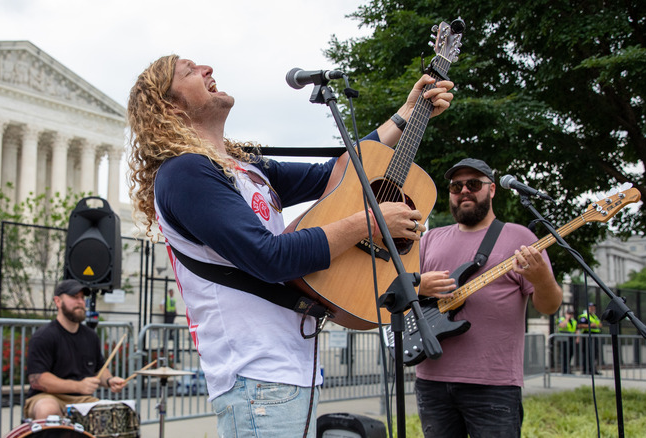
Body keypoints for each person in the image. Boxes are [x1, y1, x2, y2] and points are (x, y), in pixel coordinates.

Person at [126, 54, 454, 436]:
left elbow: (336, 173)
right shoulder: (185, 171)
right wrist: (372, 221)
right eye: (189, 71)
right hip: (256, 376)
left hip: (287, 369)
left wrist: (407, 115)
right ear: (168, 105)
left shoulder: (244, 167)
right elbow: (270, 258)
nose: (208, 69)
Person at [414, 158, 563, 438]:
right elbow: (401, 294)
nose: (464, 191)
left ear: (492, 189)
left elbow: (549, 306)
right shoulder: (430, 239)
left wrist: (542, 278)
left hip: (494, 384)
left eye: (473, 184)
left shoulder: (520, 237)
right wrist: (418, 287)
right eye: (456, 186)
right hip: (431, 381)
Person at [24, 279, 126, 420]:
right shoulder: (44, 336)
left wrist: (109, 380)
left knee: (114, 414)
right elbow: (38, 380)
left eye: (82, 298)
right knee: (48, 409)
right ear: (58, 301)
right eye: (74, 297)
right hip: (47, 397)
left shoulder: (90, 336)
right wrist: (78, 386)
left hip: (82, 399)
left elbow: (99, 370)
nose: (80, 302)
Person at [578, 302, 603, 375]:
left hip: (595, 336)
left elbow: (599, 324)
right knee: (587, 353)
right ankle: (586, 370)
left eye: (593, 307)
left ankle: (593, 369)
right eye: (591, 307)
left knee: (594, 353)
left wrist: (598, 325)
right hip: (587, 336)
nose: (592, 308)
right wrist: (590, 325)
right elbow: (579, 325)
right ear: (588, 308)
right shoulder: (584, 316)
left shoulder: (595, 316)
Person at [557, 308, 578, 374]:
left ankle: (568, 369)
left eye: (571, 314)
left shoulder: (574, 321)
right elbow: (562, 325)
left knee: (570, 354)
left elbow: (576, 330)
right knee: (564, 354)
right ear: (566, 314)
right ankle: (564, 370)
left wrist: (577, 338)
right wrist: (567, 319)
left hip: (571, 338)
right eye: (569, 313)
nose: (570, 315)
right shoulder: (561, 319)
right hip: (564, 339)